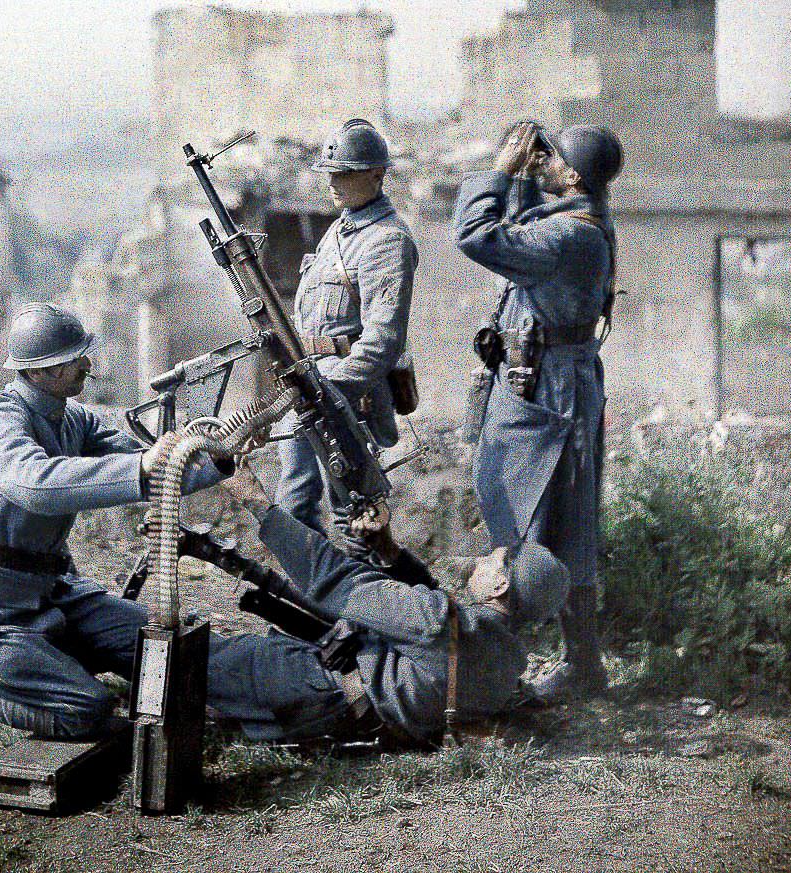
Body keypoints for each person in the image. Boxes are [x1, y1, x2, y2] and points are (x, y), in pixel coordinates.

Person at [0, 303, 227, 782]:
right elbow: (32, 482)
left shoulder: (73, 420)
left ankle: (55, 667)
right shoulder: (1, 420)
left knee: (162, 642)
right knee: (88, 710)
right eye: (74, 359)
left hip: (50, 595)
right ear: (38, 370)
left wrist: (217, 458)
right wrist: (140, 467)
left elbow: (154, 468)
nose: (87, 367)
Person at [206, 463, 571, 745]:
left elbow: (335, 578)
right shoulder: (506, 665)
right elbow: (438, 626)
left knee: (187, 656)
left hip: (311, 689)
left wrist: (258, 503)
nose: (481, 561)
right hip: (347, 719)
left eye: (493, 559)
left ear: (500, 585)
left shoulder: (436, 622)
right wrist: (387, 550)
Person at [453, 122, 623, 703]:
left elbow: (478, 237)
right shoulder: (580, 220)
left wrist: (499, 171)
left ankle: (554, 664)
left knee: (551, 519)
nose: (545, 163)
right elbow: (523, 232)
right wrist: (525, 179)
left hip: (552, 392)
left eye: (552, 160)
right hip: (552, 379)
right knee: (545, 515)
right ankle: (576, 660)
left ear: (573, 176)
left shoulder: (573, 236)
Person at [274, 118, 419, 556]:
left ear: (376, 175)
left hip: (347, 397)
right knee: (294, 504)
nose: (333, 183)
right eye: (330, 173)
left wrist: (331, 391)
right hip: (311, 386)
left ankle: (374, 610)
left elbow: (383, 340)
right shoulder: (340, 231)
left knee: (354, 515)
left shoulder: (387, 241)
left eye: (345, 173)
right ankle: (316, 604)